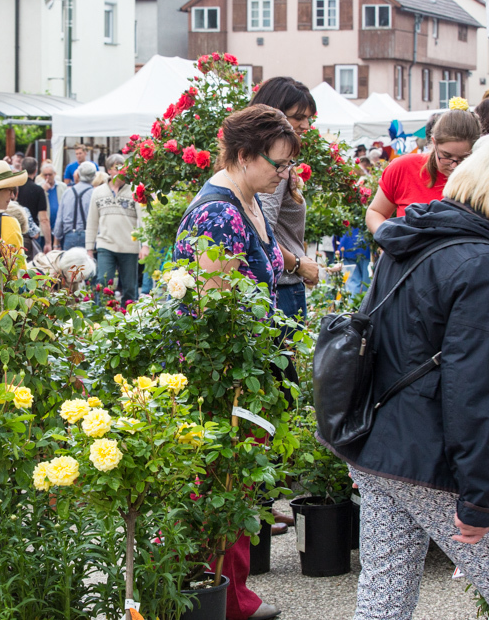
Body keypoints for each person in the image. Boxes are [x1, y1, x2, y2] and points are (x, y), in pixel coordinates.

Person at [330, 130, 489, 619]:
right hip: (430, 457)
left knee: (385, 594)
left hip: (376, 440)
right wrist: (477, 495)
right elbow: (471, 387)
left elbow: (368, 338)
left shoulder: (411, 233)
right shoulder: (486, 263)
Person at [174, 105, 301, 620]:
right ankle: (220, 598)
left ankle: (232, 594)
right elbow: (215, 304)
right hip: (223, 373)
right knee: (220, 481)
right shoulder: (218, 213)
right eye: (278, 163)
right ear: (244, 155)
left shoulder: (248, 201)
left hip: (245, 367)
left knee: (237, 481)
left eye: (288, 164)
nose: (284, 174)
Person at [252, 77, 321, 320]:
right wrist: (298, 264)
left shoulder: (265, 160)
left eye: (308, 117)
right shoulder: (272, 167)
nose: (306, 125)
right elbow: (261, 230)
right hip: (280, 289)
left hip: (279, 285)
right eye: (298, 117)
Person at [365, 110, 481, 234]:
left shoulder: (484, 179)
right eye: (446, 156)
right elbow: (376, 212)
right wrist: (389, 237)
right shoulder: (403, 168)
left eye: (464, 158)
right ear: (434, 143)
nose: (454, 166)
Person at [85, 154, 148, 303]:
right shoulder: (98, 192)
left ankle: (129, 314)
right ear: (109, 170)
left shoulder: (135, 190)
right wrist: (89, 248)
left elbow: (145, 219)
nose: (121, 171)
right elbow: (92, 221)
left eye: (123, 167)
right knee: (102, 283)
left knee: (130, 288)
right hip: (105, 244)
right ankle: (101, 313)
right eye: (117, 168)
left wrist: (145, 245)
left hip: (129, 246)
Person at [55, 161, 96, 250]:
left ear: (78, 175)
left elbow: (59, 219)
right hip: (89, 237)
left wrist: (57, 241)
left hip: (70, 235)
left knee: (70, 259)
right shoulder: (94, 193)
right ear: (94, 176)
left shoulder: (67, 193)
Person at [16, 157, 52, 251]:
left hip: (14, 231)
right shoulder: (38, 190)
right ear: (36, 171)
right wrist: (48, 243)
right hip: (31, 235)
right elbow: (44, 219)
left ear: (21, 169)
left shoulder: (14, 188)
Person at [38, 161, 66, 241]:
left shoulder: (62, 186)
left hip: (59, 227)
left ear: (54, 174)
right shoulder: (39, 188)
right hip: (44, 229)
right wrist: (43, 191)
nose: (47, 177)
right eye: (45, 175)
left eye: (50, 174)